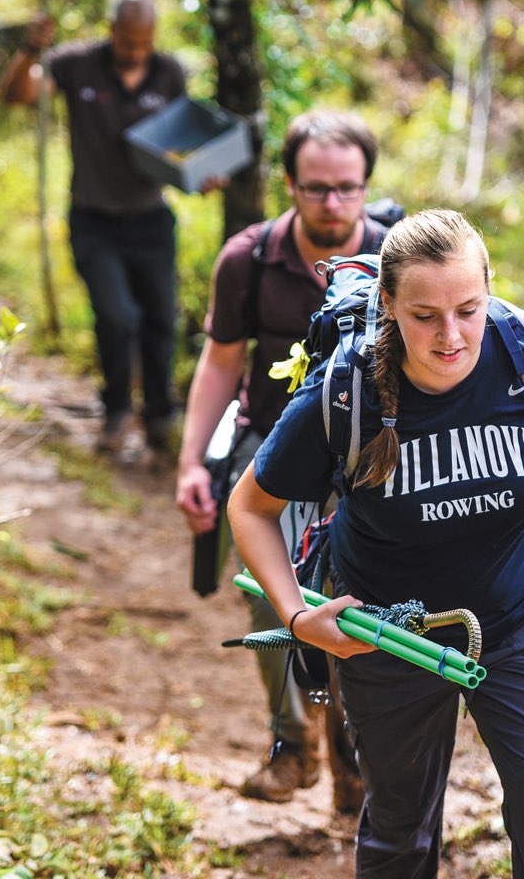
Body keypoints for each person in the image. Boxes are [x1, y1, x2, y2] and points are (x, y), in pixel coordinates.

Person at [228, 208, 524, 877]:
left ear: (489, 288)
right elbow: (250, 507)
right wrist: (301, 618)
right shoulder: (344, 391)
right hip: (387, 630)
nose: (451, 335)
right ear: (388, 305)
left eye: (469, 309)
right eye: (425, 316)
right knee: (400, 832)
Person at [175, 110, 386, 811]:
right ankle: (293, 744)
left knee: (374, 601)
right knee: (270, 590)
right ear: (290, 186)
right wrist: (191, 465)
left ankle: (355, 756)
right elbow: (220, 365)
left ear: (366, 187)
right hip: (274, 457)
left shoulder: (398, 257)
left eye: (348, 189)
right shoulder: (250, 259)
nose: (333, 204)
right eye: (317, 188)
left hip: (369, 461)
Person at [0, 0, 186, 453]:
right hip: (94, 220)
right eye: (127, 42)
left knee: (162, 321)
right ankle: (117, 410)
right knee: (117, 316)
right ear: (112, 31)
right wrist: (29, 51)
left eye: (144, 44)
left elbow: (183, 143)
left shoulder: (170, 74)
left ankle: (161, 416)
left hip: (151, 219)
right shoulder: (75, 64)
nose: (135, 53)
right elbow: (17, 96)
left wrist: (200, 173)